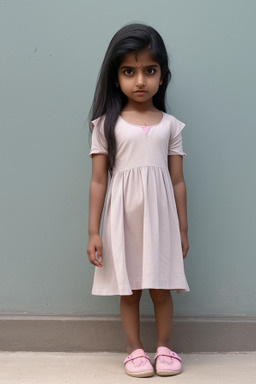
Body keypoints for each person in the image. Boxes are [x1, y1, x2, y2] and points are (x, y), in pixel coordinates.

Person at [87, 23, 189, 378]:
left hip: (160, 220)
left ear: (163, 76)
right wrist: (93, 232)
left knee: (161, 288)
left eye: (150, 70)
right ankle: (134, 349)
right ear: (116, 77)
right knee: (129, 291)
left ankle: (163, 347)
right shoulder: (105, 125)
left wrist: (183, 229)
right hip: (123, 220)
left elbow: (177, 181)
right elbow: (99, 180)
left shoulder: (171, 126)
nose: (140, 80)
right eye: (129, 71)